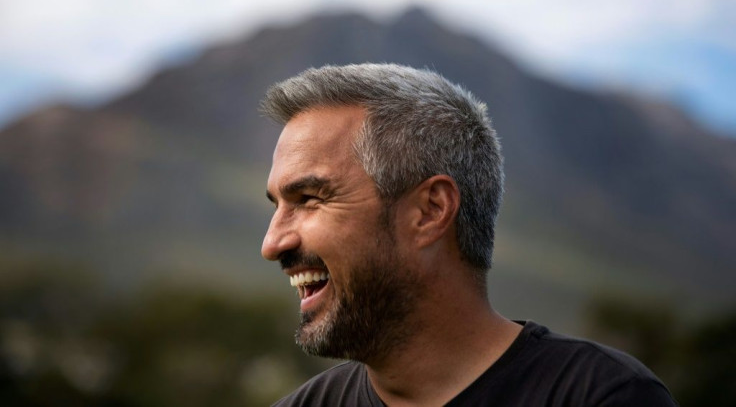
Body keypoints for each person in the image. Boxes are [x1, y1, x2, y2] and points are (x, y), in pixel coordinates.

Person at [260, 63, 677, 406]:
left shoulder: (604, 397)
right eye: (276, 205)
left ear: (431, 210)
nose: (272, 243)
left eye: (309, 198)